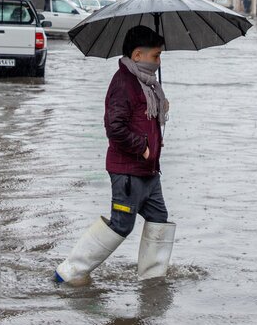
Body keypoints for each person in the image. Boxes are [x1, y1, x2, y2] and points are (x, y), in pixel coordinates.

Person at [55, 25, 175, 285]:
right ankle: (69, 272)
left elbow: (144, 119)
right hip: (128, 170)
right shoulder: (124, 83)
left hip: (149, 171)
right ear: (137, 56)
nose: (159, 61)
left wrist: (159, 114)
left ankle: (152, 280)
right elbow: (114, 127)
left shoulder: (148, 84)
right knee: (122, 224)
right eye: (155, 56)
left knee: (158, 219)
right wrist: (142, 148)